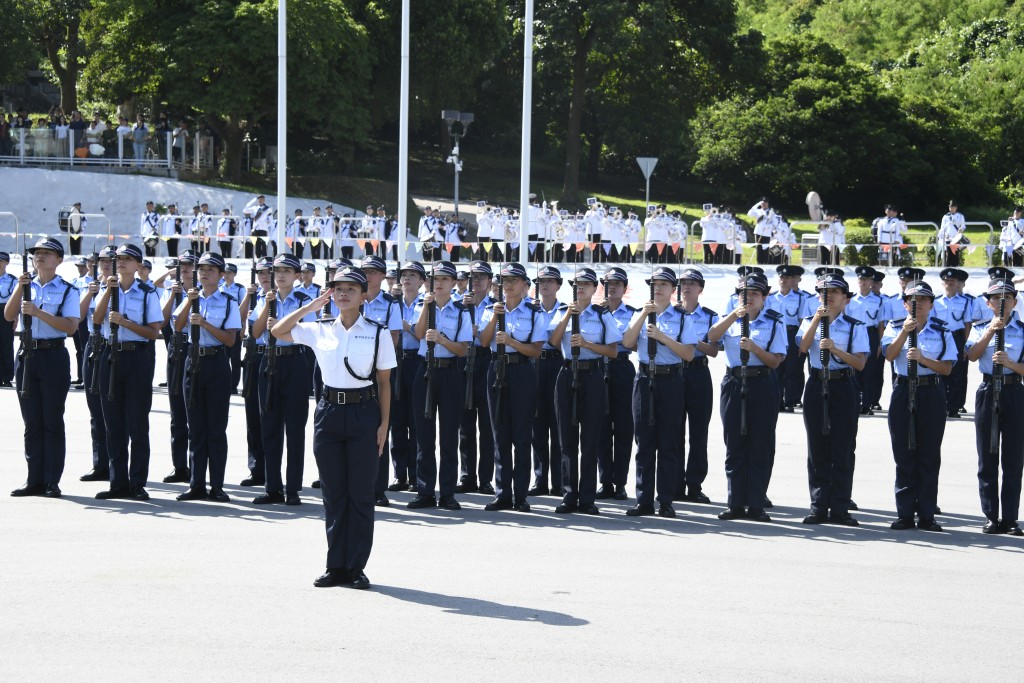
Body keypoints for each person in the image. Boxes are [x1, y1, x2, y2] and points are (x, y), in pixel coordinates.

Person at [272, 266, 395, 590]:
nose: (343, 294)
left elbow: (384, 383)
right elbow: (278, 332)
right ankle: (335, 564)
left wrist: (384, 425)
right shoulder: (320, 328)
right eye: (338, 289)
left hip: (363, 414)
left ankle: (356, 566)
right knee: (334, 495)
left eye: (350, 289)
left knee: (360, 495)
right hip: (328, 413)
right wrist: (309, 308)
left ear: (363, 296)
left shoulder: (377, 332)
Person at [707, 272, 787, 522]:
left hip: (761, 382)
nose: (748, 298)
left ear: (764, 297)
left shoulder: (775, 322)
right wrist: (734, 315)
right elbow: (711, 337)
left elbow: (775, 361)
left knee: (759, 445)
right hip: (734, 381)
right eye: (743, 293)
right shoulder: (730, 319)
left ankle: (756, 504)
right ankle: (735, 503)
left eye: (754, 294)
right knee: (734, 445)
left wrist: (755, 349)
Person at [6, 237, 80, 498]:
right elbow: (8, 314)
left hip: (53, 356)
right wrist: (20, 287)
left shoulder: (69, 290)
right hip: (27, 355)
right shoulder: (26, 285)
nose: (40, 256)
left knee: (51, 420)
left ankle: (52, 480)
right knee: (32, 423)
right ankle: (33, 479)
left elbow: (71, 327)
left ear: (58, 260)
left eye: (47, 253)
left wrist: (38, 313)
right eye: (37, 252)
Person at [881, 280, 956, 531]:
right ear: (904, 304)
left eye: (923, 300)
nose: (917, 304)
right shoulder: (893, 327)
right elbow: (889, 355)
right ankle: (904, 513)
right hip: (903, 389)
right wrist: (904, 332)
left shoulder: (941, 330)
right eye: (912, 301)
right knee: (904, 454)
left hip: (930, 390)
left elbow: (947, 368)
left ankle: (926, 514)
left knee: (928, 455)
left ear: (931, 304)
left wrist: (923, 359)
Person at [547, 267, 621, 515]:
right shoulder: (562, 312)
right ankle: (569, 495)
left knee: (590, 439)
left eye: (585, 285)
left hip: (593, 375)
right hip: (567, 373)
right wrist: (568, 316)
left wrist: (588, 344)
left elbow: (613, 351)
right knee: (566, 439)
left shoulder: (602, 315)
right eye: (577, 285)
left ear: (594, 289)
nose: (580, 289)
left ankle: (587, 497)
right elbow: (554, 342)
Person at [796, 273, 868, 525]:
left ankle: (839, 507)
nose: (828, 296)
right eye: (823, 292)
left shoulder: (855, 326)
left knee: (843, 449)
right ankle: (818, 506)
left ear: (846, 299)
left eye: (834, 292)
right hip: (817, 383)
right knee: (817, 448)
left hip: (842, 384)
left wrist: (837, 350)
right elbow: (802, 349)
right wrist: (817, 320)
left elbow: (860, 363)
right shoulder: (809, 321)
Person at [92, 244, 162, 500]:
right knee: (113, 424)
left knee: (137, 423)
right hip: (111, 355)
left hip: (137, 357)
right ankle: (117, 482)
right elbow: (97, 320)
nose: (121, 262)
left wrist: (126, 323)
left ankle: (137, 483)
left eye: (127, 259)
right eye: (118, 258)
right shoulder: (108, 289)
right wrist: (108, 291)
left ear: (138, 265)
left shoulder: (146, 293)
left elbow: (153, 332)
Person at [173, 252, 241, 502]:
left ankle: (218, 486)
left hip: (217, 362)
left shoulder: (228, 301)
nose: (205, 273)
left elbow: (231, 339)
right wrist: (190, 303)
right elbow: (177, 327)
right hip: (194, 361)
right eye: (201, 269)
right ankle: (196, 484)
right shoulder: (192, 297)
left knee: (216, 428)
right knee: (196, 428)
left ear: (221, 275)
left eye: (211, 269)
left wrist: (205, 324)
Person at [478, 263, 546, 511]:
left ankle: (520, 495)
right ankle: (502, 492)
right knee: (500, 434)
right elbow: (484, 342)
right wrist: (496, 316)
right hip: (496, 370)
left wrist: (512, 342)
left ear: (525, 286)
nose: (508, 285)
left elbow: (536, 351)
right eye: (505, 280)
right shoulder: (491, 309)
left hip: (521, 372)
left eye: (514, 280)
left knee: (521, 435)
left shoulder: (533, 312)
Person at [407, 262, 472, 510]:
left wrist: (443, 339)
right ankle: (425, 490)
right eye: (435, 279)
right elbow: (419, 333)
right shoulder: (423, 306)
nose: (440, 283)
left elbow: (463, 349)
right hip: (425, 370)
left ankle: (447, 492)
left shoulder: (461, 311)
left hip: (451, 372)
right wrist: (426, 305)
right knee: (423, 435)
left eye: (445, 279)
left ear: (454, 283)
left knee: (448, 436)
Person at [252, 254, 315, 505]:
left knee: (295, 428)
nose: (280, 275)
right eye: (277, 270)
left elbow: (308, 335)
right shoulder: (265, 298)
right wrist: (267, 307)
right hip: (269, 361)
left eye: (287, 271)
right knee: (269, 427)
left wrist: (281, 327)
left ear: (297, 275)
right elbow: (255, 332)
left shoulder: (304, 301)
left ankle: (292, 488)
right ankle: (272, 487)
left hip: (294, 362)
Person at [966, 277, 1024, 535]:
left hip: (1013, 389)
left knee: (1013, 458)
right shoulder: (979, 328)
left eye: (1007, 297)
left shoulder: (1023, 330)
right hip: (989, 389)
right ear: (988, 303)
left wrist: (1011, 364)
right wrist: (991, 330)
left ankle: (1010, 518)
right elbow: (971, 355)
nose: (1002, 302)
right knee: (987, 457)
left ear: (1015, 301)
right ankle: (991, 515)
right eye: (997, 298)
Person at [357, 255, 402, 506]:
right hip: (353, 371)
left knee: (380, 427)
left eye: (374, 272)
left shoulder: (389, 303)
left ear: (383, 276)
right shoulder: (354, 297)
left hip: (377, 371)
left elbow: (393, 338)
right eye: (365, 271)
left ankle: (378, 487)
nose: (369, 275)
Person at [673, 268, 720, 504]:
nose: (686, 287)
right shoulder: (669, 314)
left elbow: (713, 350)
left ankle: (694, 484)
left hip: (698, 373)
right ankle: (674, 483)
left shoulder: (710, 316)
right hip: (674, 373)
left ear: (700, 289)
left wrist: (691, 340)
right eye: (682, 283)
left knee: (698, 433)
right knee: (674, 432)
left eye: (692, 283)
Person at [594, 268, 637, 500]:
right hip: (599, 367)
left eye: (617, 284)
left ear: (625, 287)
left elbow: (632, 342)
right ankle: (605, 482)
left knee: (623, 427)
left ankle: (619, 482)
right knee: (601, 426)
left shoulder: (632, 313)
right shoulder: (594, 312)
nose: (612, 287)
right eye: (608, 283)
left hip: (621, 366)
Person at [457, 261, 497, 494]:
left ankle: (485, 478)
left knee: (487, 423)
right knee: (465, 424)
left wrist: (479, 332)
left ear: (490, 281)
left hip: (486, 359)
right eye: (473, 276)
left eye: (482, 276)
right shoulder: (460, 304)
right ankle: (467, 475)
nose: (477, 280)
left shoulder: (495, 306)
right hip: (464, 359)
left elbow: (488, 338)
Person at [159, 250, 197, 483]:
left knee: (195, 411)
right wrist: (173, 297)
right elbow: (162, 321)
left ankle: (197, 466)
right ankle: (179, 466)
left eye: (189, 265)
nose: (184, 268)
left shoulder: (206, 291)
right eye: (181, 264)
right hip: (177, 348)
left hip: (195, 349)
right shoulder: (170, 290)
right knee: (177, 414)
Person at [78, 246, 115, 482]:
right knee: (95, 409)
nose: (104, 263)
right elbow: (79, 315)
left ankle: (116, 463)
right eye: (100, 260)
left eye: (110, 260)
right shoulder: (87, 285)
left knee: (113, 410)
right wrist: (89, 294)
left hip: (113, 345)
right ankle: (99, 463)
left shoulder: (123, 288)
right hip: (94, 344)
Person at [388, 261, 425, 492]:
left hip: (417, 362)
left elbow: (425, 335)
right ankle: (399, 473)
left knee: (417, 421)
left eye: (412, 275)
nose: (407, 279)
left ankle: (415, 475)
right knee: (397, 421)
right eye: (404, 275)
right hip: (395, 361)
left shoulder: (426, 304)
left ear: (421, 281)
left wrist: (407, 326)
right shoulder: (392, 304)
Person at [529, 265, 565, 497]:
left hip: (557, 363)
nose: (545, 284)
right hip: (534, 363)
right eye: (541, 281)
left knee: (558, 423)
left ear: (559, 285)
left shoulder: (565, 310)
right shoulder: (530, 308)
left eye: (550, 281)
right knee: (537, 424)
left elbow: (554, 340)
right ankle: (540, 479)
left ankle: (560, 481)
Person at [240, 257, 273, 486]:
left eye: (268, 272)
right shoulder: (255, 298)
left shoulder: (282, 298)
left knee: (271, 418)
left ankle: (272, 471)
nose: (264, 276)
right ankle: (256, 469)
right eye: (261, 272)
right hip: (255, 355)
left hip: (275, 355)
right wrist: (248, 296)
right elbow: (239, 321)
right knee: (252, 416)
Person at [768, 265, 815, 412]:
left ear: (792, 280)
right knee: (777, 368)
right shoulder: (771, 297)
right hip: (776, 333)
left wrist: (802, 341)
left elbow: (802, 320)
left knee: (793, 368)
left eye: (787, 278)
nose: (783, 280)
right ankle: (778, 399)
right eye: (781, 277)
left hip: (792, 332)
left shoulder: (801, 298)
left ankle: (791, 400)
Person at [933, 268, 973, 419]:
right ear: (942, 283)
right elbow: (932, 324)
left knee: (958, 374)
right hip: (941, 339)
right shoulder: (935, 301)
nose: (949, 283)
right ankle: (941, 405)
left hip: (957, 338)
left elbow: (967, 324)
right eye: (947, 280)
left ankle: (954, 407)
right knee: (940, 372)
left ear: (957, 284)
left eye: (953, 281)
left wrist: (967, 345)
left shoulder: (965, 302)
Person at [847, 267, 886, 415]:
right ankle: (855, 402)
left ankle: (867, 404)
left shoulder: (879, 300)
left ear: (871, 281)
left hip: (871, 335)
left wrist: (880, 344)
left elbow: (881, 323)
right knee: (855, 371)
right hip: (855, 334)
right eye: (861, 279)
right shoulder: (850, 300)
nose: (863, 282)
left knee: (870, 371)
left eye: (866, 279)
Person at [220, 263, 246, 393]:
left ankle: (233, 385)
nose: (226, 275)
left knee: (235, 358)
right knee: (223, 357)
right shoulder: (219, 288)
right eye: (225, 272)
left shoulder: (240, 289)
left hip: (235, 326)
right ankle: (224, 382)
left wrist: (243, 328)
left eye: (229, 272)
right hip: (222, 326)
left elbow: (244, 309)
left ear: (234, 274)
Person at [0, 253, 18, 387]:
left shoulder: (12, 280)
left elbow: (15, 300)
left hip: (6, 311)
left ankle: (7, 376)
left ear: (7, 263)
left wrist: (15, 317)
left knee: (6, 344)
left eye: (2, 261)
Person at [937, 200, 967, 267]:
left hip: (956, 238)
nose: (951, 208)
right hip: (948, 238)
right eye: (950, 207)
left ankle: (955, 268)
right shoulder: (945, 216)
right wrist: (945, 235)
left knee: (955, 255)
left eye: (953, 207)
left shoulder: (960, 216)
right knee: (949, 254)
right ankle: (948, 269)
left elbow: (963, 226)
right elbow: (942, 228)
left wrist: (960, 231)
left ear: (956, 207)